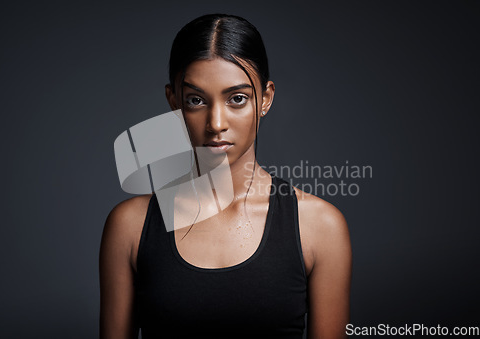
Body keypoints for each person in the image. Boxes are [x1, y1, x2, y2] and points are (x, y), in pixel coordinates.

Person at [100, 13, 352, 339]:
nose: (216, 122)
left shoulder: (320, 227)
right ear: (173, 102)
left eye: (237, 99)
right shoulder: (130, 227)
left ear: (266, 99)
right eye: (196, 100)